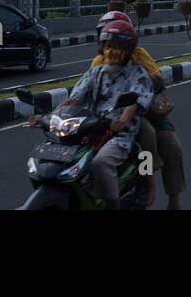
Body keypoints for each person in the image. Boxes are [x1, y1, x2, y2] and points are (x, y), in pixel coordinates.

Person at [88, 10, 186, 209]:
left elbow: (158, 81)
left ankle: (169, 196)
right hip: (115, 114)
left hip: (147, 111)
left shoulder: (140, 56)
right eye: (107, 36)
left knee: (172, 148)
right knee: (146, 134)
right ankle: (140, 180)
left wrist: (137, 68)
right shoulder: (99, 62)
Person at [66, 19, 155, 210]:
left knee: (100, 163)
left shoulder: (138, 74)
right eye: (108, 46)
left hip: (118, 135)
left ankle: (113, 205)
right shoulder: (95, 72)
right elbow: (74, 98)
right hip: (89, 130)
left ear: (128, 50)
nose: (111, 52)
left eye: (117, 47)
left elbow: (133, 101)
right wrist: (49, 116)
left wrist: (121, 121)